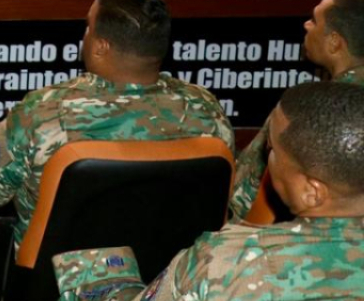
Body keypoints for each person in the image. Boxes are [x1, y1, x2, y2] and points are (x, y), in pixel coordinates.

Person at [0, 0, 235, 246]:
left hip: (59, 277)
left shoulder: (43, 113)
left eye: (88, 27)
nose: (85, 34)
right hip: (170, 273)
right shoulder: (207, 110)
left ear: (100, 47)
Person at [53, 80, 364, 300]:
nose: (265, 157)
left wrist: (101, 277)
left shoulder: (229, 260)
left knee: (93, 268)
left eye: (274, 150)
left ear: (312, 192)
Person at [230, 0, 364, 219]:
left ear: (334, 43)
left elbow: (244, 195)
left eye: (314, 20)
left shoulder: (306, 110)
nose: (306, 25)